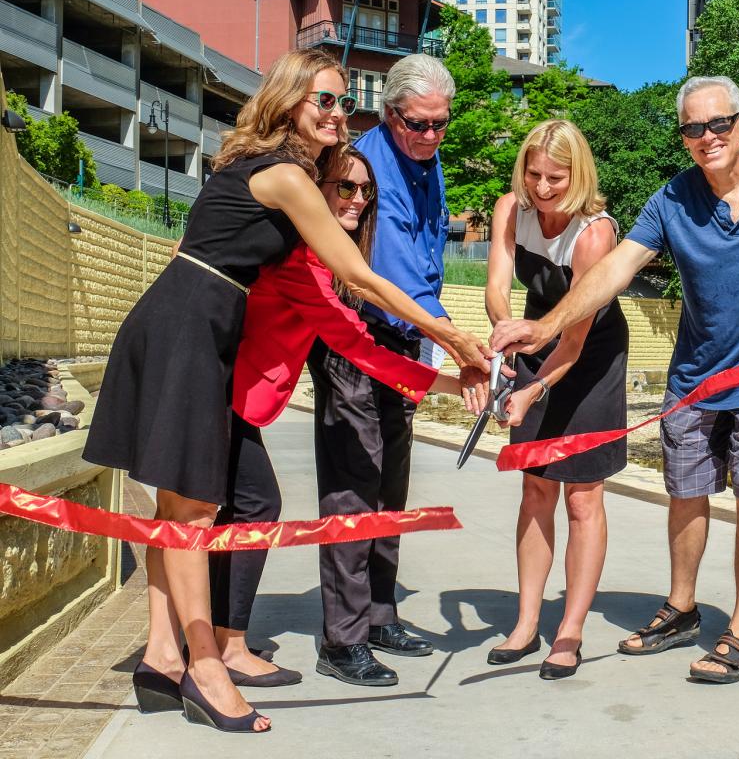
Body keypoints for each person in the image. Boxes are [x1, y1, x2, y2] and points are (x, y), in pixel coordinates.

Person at [82, 48, 487, 734]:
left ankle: (160, 655)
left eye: (341, 102)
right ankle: (206, 668)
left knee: (181, 505)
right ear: (290, 101)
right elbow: (362, 279)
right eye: (322, 100)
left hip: (193, 322)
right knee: (197, 509)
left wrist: (444, 376)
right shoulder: (284, 177)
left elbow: (345, 323)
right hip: (191, 324)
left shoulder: (264, 175)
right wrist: (453, 339)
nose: (337, 113)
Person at [491, 76, 739, 685]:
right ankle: (682, 609)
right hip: (693, 381)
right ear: (683, 136)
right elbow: (613, 270)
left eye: (719, 124)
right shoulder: (671, 200)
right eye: (694, 128)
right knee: (685, 498)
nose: (707, 137)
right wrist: (544, 326)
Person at [209, 146, 488, 690]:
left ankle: (223, 639)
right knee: (252, 508)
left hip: (241, 396)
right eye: (345, 188)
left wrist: (455, 383)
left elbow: (371, 348)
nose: (358, 199)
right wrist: (454, 354)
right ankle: (242, 644)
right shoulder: (308, 263)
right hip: (216, 386)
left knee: (241, 509)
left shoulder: (322, 258)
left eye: (366, 191)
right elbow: (361, 345)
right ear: (315, 193)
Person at [307, 53, 459, 682]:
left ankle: (378, 612)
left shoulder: (430, 162)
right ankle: (341, 639)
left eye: (440, 124)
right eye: (416, 124)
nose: (429, 136)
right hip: (354, 335)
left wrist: (429, 341)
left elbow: (429, 259)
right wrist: (452, 339)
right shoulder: (365, 165)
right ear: (390, 113)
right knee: (353, 479)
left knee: (390, 479)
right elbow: (388, 271)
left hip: (402, 341)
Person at [482, 120, 627, 680]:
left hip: (588, 356)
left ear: (579, 175)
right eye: (534, 174)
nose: (542, 189)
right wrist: (503, 334)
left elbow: (573, 337)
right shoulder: (508, 209)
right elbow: (498, 286)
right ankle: (525, 623)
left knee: (582, 497)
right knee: (535, 487)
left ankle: (570, 630)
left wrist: (534, 387)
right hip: (533, 339)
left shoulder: (595, 235)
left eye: (556, 178)